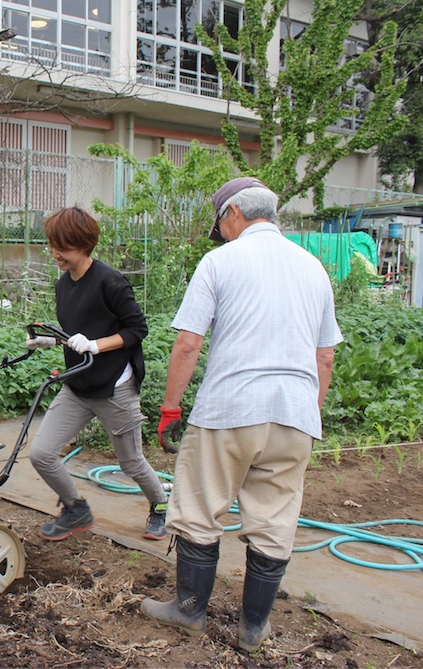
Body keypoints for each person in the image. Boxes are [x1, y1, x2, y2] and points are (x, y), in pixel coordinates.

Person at [140, 177, 342, 653]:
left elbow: (189, 341)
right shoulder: (313, 268)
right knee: (274, 520)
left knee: (198, 509)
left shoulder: (220, 261)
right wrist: (305, 416)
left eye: (222, 226)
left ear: (233, 213)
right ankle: (254, 627)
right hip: (294, 415)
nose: (222, 234)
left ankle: (189, 610)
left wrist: (170, 408)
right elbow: (325, 356)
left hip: (230, 410)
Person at [25, 206, 169, 542]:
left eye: (63, 246)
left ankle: (160, 505)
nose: (55, 253)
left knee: (131, 462)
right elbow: (75, 332)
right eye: (51, 245)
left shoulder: (110, 282)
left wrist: (96, 345)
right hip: (77, 385)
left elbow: (137, 329)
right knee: (41, 454)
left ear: (84, 244)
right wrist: (48, 340)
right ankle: (76, 508)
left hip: (114, 386)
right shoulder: (63, 286)